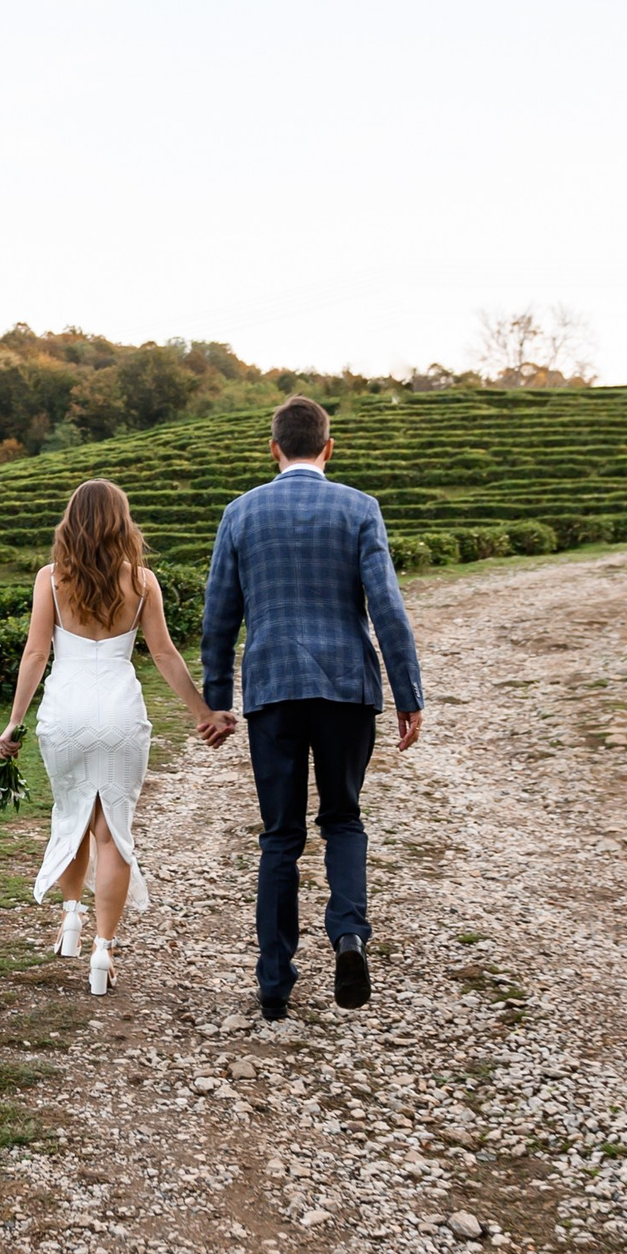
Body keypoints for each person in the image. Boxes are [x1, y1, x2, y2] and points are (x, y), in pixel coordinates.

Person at [199, 394, 424, 1020]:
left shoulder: (241, 514)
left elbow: (219, 617)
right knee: (344, 819)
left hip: (273, 688)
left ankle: (274, 983)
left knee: (280, 836)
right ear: (328, 447)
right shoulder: (359, 508)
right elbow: (388, 610)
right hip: (347, 687)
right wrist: (408, 694)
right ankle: (349, 936)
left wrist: (218, 701)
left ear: (274, 448)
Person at [0, 479, 233, 994]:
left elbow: (36, 654)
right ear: (122, 523)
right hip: (121, 715)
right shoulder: (144, 583)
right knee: (112, 832)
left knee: (73, 816)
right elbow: (166, 654)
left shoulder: (51, 580)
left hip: (67, 714)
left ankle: (72, 916)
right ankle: (103, 952)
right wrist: (203, 712)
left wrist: (15, 721)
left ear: (71, 523)